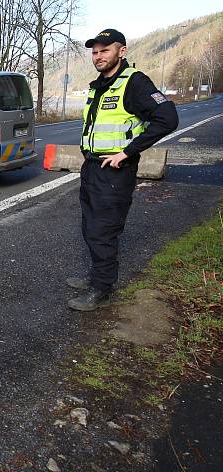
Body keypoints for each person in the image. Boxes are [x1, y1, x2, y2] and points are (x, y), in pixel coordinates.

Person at [67, 29, 178, 311]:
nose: (98, 56)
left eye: (105, 50)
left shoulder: (134, 83)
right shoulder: (99, 85)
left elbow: (167, 118)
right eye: (94, 51)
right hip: (92, 167)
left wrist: (128, 152)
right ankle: (96, 275)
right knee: (89, 226)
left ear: (122, 51)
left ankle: (101, 289)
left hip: (115, 172)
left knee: (103, 230)